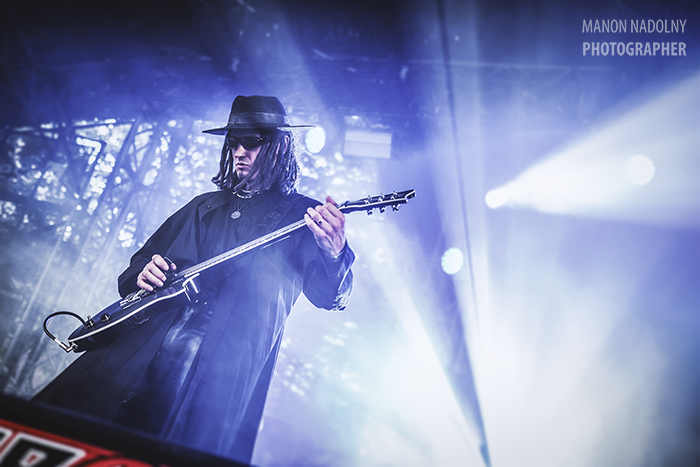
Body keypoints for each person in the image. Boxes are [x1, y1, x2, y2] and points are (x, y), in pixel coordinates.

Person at [34, 95, 355, 463]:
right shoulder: (204, 205)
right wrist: (145, 271)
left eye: (251, 141)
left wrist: (335, 252)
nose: (239, 151)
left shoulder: (303, 216)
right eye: (233, 142)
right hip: (145, 344)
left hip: (221, 364)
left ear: (279, 146)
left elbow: (330, 295)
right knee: (74, 425)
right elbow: (137, 266)